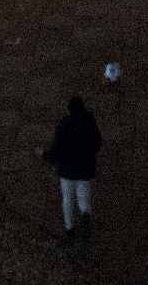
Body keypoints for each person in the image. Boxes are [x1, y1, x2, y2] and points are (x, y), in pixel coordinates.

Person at [42, 96, 103, 239]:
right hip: (85, 167)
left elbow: (58, 148)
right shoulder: (89, 122)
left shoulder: (64, 125)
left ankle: (70, 228)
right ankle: (85, 212)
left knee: (67, 198)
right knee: (83, 194)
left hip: (67, 169)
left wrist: (47, 156)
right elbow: (98, 143)